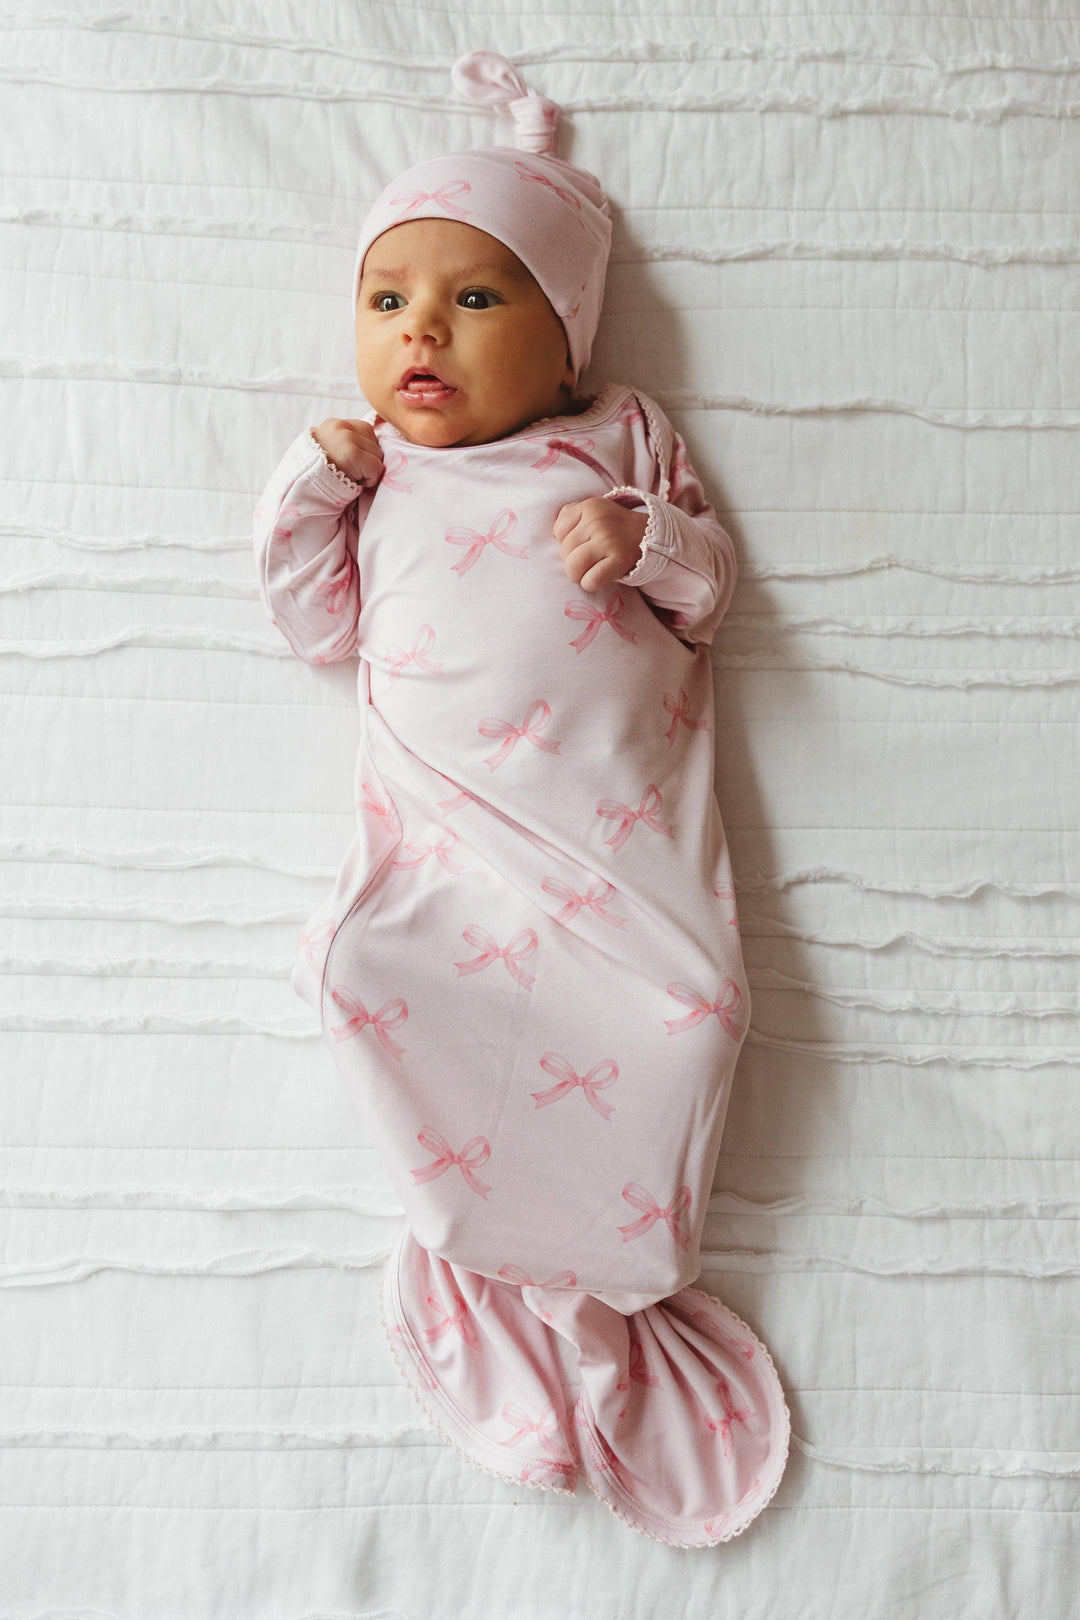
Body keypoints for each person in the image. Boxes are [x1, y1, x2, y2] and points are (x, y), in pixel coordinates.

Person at [253, 49, 789, 1548]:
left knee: (696, 1022)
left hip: (609, 854)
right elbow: (314, 628)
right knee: (356, 971)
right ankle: (481, 1243)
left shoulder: (619, 443)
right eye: (388, 301)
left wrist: (647, 543)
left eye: (474, 300)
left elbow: (712, 597)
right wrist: (307, 490)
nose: (418, 330)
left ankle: (607, 1276)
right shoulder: (376, 484)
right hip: (444, 842)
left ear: (567, 344)